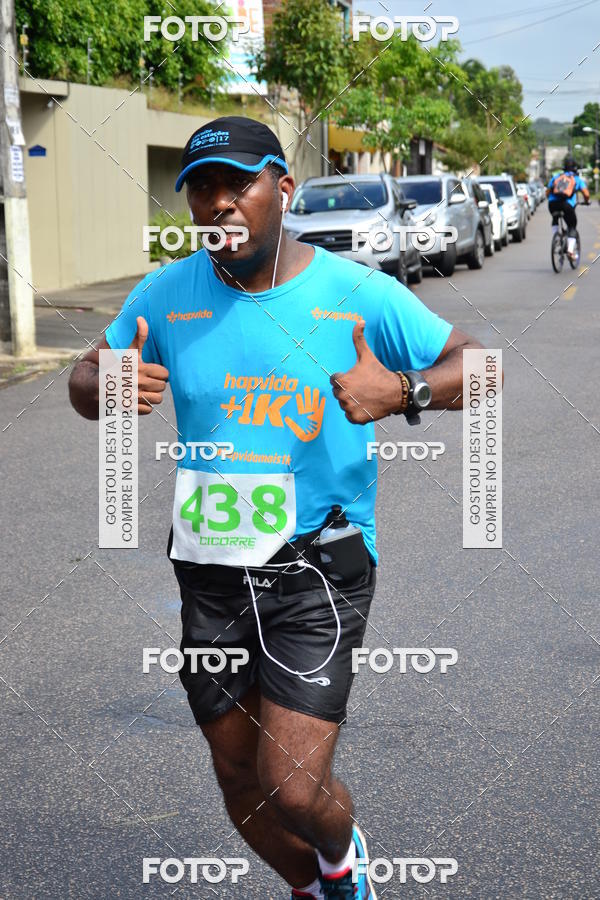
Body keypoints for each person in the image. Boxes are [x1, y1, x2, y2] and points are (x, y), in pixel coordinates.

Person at [69, 116, 484, 899]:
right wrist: (108, 386)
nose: (220, 203)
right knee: (235, 774)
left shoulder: (353, 291)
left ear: (281, 189)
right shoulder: (164, 295)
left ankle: (338, 854)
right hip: (210, 562)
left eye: (239, 183)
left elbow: (482, 368)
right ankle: (312, 886)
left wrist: (403, 390)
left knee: (291, 784)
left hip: (317, 567)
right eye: (203, 190)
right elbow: (85, 383)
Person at [546, 157, 590, 260]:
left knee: (555, 217)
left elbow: (547, 192)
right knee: (572, 225)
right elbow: (586, 193)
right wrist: (587, 201)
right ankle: (570, 251)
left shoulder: (556, 177)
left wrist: (552, 199)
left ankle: (556, 238)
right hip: (566, 205)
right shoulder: (576, 179)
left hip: (552, 204)